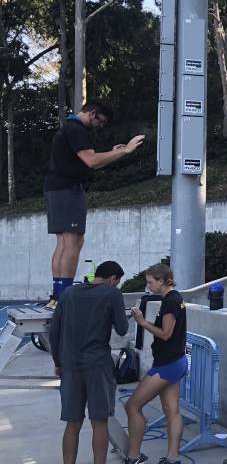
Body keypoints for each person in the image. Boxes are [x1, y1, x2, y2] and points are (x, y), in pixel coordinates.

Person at [44, 99, 144, 308]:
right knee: (73, 241)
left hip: (56, 189)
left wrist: (114, 152)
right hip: (69, 190)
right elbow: (92, 160)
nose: (100, 126)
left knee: (64, 242)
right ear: (93, 113)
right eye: (101, 121)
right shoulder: (77, 130)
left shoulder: (67, 129)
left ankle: (57, 296)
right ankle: (63, 297)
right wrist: (125, 151)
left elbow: (89, 163)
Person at [49, 260, 130, 464]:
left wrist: (58, 363)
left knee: (72, 423)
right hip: (98, 366)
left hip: (70, 366)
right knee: (99, 421)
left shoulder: (69, 293)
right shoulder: (112, 293)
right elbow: (123, 329)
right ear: (114, 278)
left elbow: (54, 332)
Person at [119, 264, 189, 464]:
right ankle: (173, 459)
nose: (148, 286)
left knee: (133, 405)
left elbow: (165, 334)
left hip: (167, 364)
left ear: (162, 280)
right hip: (174, 361)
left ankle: (134, 457)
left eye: (150, 282)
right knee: (172, 410)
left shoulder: (170, 302)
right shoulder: (175, 298)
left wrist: (141, 322)